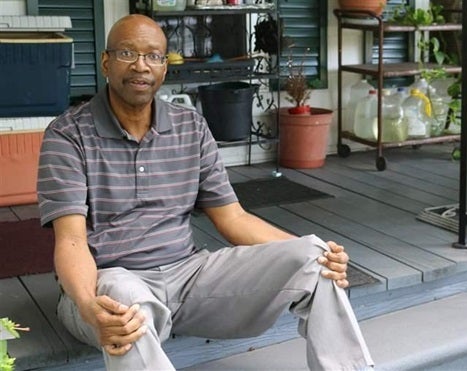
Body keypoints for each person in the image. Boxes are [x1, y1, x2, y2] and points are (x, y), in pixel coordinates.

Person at [37, 14, 373, 370]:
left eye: (153, 56)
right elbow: (71, 240)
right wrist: (89, 307)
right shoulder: (68, 135)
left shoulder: (190, 127)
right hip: (111, 280)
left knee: (315, 255)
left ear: (164, 69)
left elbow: (233, 218)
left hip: (188, 277)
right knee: (124, 302)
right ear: (106, 62)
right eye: (126, 53)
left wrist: (302, 249)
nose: (140, 65)